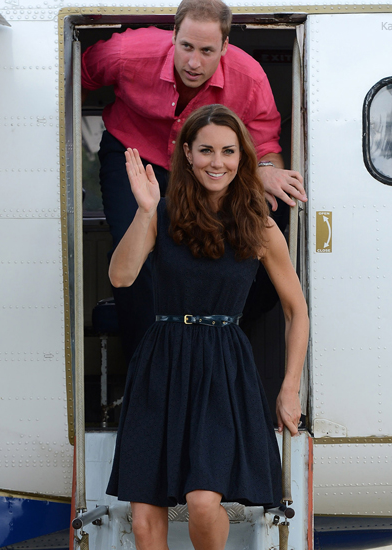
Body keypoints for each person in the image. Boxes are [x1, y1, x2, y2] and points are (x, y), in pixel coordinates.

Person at [106, 104, 309, 550]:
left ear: (242, 158)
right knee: (143, 520)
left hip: (222, 367)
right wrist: (144, 211)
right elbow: (120, 276)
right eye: (206, 151)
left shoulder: (259, 225)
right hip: (161, 363)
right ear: (187, 154)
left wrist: (289, 387)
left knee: (201, 501)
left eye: (228, 151)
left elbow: (297, 311)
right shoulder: (161, 213)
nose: (217, 162)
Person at [81, 0, 306, 363]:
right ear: (173, 36)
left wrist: (265, 167)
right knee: (133, 245)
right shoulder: (125, 53)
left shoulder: (249, 79)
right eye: (186, 47)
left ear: (225, 47)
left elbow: (265, 144)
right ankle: (146, 364)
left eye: (206, 51)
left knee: (265, 220)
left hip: (204, 162)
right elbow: (77, 77)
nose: (193, 62)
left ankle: (227, 334)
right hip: (135, 154)